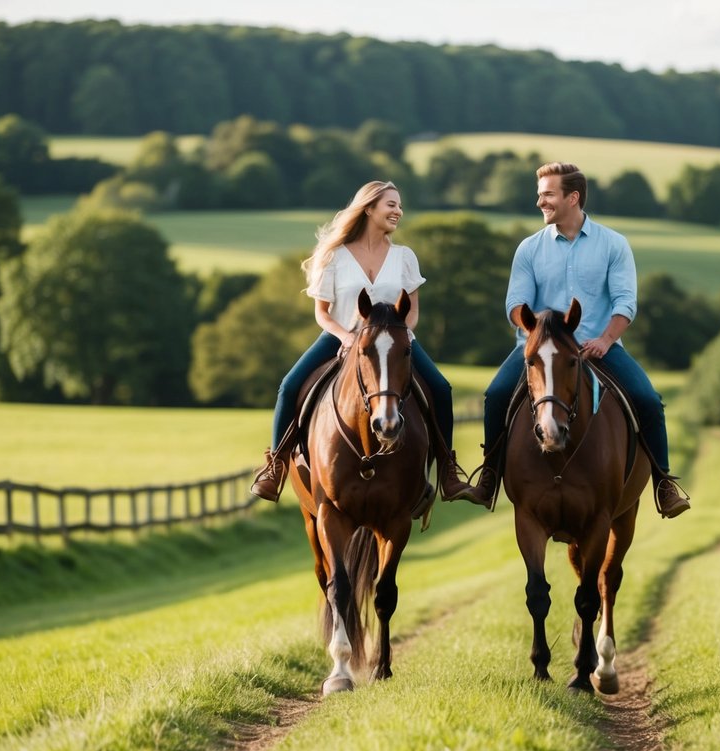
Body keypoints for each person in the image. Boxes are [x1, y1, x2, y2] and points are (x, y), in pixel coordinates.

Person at [458, 162, 690, 518]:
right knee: (495, 396)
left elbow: (625, 301)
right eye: (540, 195)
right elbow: (514, 303)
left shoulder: (614, 244)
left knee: (648, 400)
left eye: (548, 195)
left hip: (598, 348)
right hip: (538, 351)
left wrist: (606, 339)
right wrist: (535, 330)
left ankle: (663, 484)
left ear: (573, 197)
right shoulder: (529, 249)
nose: (540, 203)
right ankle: (488, 476)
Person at [250, 180, 473, 503]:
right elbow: (322, 313)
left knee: (440, 388)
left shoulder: (405, 257)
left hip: (394, 341)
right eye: (391, 205)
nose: (398, 211)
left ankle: (448, 474)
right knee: (289, 385)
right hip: (342, 336)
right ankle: (276, 467)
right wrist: (345, 336)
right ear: (369, 208)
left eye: (399, 205)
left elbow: (412, 312)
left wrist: (402, 335)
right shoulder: (335, 257)